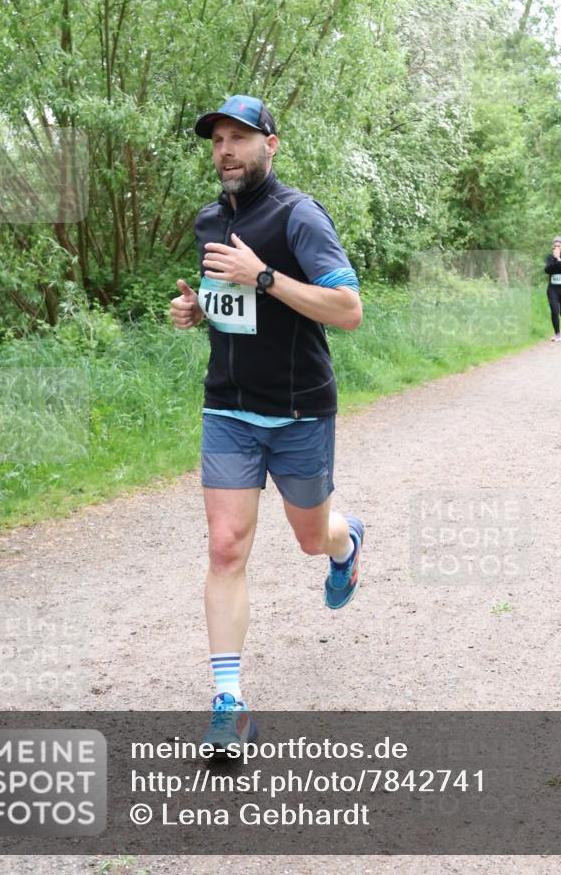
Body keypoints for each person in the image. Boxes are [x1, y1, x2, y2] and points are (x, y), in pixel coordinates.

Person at [170, 95, 364, 750]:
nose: (225, 149)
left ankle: (346, 545)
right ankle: (229, 703)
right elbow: (234, 306)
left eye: (239, 137)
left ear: (270, 145)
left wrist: (265, 275)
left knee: (312, 537)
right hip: (227, 406)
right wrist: (199, 311)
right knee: (225, 547)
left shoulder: (298, 216)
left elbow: (346, 309)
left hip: (298, 410)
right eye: (217, 139)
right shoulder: (205, 221)